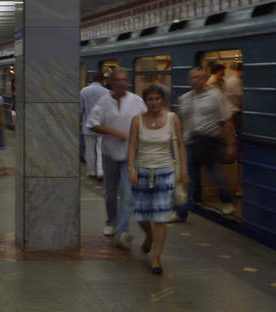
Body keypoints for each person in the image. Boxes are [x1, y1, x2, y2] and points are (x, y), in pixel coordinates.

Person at [127, 84, 188, 275]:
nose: (153, 103)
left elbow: (180, 146)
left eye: (157, 99)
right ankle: (149, 236)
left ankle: (156, 259)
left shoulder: (172, 119)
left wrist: (183, 171)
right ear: (145, 102)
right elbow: (132, 145)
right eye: (150, 99)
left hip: (165, 172)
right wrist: (131, 167)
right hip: (142, 171)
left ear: (163, 100)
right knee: (142, 215)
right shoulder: (137, 120)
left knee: (161, 218)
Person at [87, 68, 147, 248]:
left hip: (130, 155)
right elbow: (92, 124)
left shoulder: (136, 101)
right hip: (109, 154)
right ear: (111, 82)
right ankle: (111, 221)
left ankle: (122, 231)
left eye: (124, 80)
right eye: (118, 80)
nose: (122, 83)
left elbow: (146, 119)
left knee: (127, 191)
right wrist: (113, 132)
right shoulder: (104, 102)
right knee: (110, 191)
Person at [176, 67, 235, 218]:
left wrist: (229, 145)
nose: (196, 80)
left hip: (209, 141)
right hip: (190, 142)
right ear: (190, 80)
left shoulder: (215, 97)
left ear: (205, 79)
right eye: (194, 77)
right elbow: (181, 123)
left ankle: (227, 201)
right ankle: (184, 210)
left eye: (200, 77)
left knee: (217, 176)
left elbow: (223, 122)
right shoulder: (184, 99)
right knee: (188, 178)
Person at [80, 73, 108, 179]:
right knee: (101, 149)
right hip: (102, 125)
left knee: (89, 150)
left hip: (88, 126)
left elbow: (80, 109)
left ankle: (91, 171)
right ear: (101, 80)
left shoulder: (84, 91)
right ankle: (101, 172)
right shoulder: (106, 92)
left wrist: (79, 122)